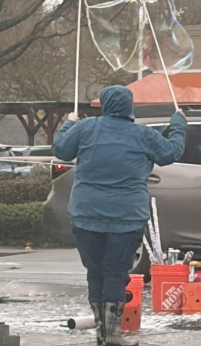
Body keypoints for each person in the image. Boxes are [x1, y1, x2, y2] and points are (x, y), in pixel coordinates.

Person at [53, 85, 187, 346]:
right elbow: (171, 152)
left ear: (104, 104)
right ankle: (111, 337)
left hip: (86, 214)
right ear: (129, 106)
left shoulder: (86, 128)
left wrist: (69, 124)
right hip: (126, 217)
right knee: (115, 274)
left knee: (96, 274)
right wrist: (179, 123)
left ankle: (102, 334)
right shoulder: (142, 135)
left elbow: (61, 151)